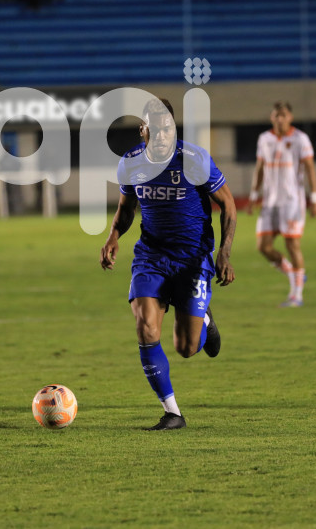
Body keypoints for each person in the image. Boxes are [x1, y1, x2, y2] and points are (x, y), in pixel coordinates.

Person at [100, 98, 237, 430]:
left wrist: (224, 253)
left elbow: (229, 206)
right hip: (152, 255)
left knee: (187, 348)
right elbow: (127, 207)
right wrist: (113, 236)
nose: (163, 135)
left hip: (193, 257)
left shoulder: (193, 160)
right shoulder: (131, 163)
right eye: (156, 129)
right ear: (143, 130)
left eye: (168, 129)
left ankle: (203, 317)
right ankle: (173, 412)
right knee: (146, 326)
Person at [247, 101, 316, 307]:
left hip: (292, 202)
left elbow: (310, 169)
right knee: (263, 246)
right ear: (272, 118)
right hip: (270, 202)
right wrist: (253, 196)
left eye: (284, 115)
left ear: (291, 117)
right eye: (276, 115)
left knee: (292, 244)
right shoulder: (265, 139)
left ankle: (296, 295)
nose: (280, 118)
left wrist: (314, 199)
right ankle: (292, 272)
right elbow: (260, 168)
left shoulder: (300, 139)